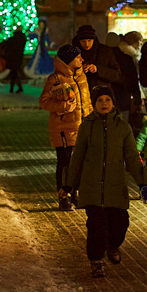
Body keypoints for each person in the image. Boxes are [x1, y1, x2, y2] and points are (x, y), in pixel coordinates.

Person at [61, 84, 147, 278]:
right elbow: (77, 157)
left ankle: (113, 246)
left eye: (107, 100)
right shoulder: (87, 126)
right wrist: (67, 185)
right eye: (100, 100)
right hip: (91, 187)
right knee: (96, 226)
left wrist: (144, 182)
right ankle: (96, 261)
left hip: (115, 187)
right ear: (94, 104)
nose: (104, 103)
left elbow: (132, 157)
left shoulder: (122, 128)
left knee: (121, 223)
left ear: (113, 102)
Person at [39, 44, 91, 211]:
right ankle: (64, 197)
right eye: (78, 57)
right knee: (65, 163)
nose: (81, 60)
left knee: (80, 163)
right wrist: (63, 107)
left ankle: (75, 193)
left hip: (82, 127)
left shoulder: (82, 77)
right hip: (63, 128)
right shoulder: (54, 79)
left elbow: (87, 103)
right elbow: (44, 102)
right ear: (69, 61)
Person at [74, 24, 122, 101]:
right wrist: (80, 70)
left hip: (102, 97)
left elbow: (116, 75)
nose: (86, 44)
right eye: (83, 41)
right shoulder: (74, 53)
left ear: (94, 39)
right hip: (80, 97)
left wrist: (98, 69)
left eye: (89, 41)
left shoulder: (105, 52)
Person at [116, 31, 143, 131]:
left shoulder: (123, 51)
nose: (141, 43)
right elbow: (134, 77)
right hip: (126, 92)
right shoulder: (131, 54)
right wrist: (137, 98)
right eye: (139, 41)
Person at [0, 29, 28, 93]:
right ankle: (13, 88)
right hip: (19, 58)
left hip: (12, 58)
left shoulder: (13, 39)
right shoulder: (23, 39)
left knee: (13, 73)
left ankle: (16, 88)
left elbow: (5, 44)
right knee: (14, 72)